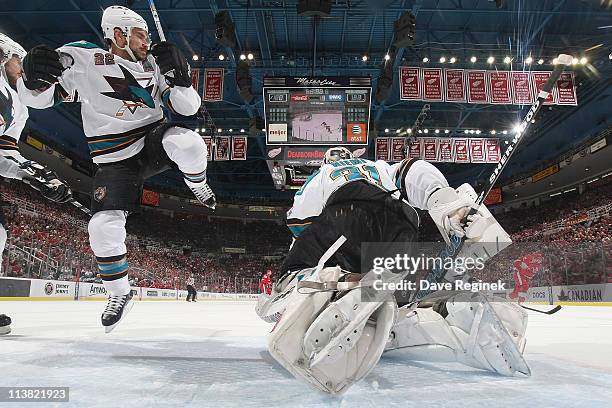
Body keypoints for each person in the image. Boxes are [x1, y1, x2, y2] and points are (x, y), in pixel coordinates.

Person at [256, 146, 527, 394]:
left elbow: (301, 227)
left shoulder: (322, 174)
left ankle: (343, 286)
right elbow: (416, 169)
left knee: (292, 274)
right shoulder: (379, 167)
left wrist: (300, 277)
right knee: (393, 314)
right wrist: (448, 204)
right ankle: (456, 317)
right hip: (404, 227)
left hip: (349, 212)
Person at [17, 6, 214, 333]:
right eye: (140, 33)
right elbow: (39, 99)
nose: (146, 39)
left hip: (151, 139)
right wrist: (31, 79)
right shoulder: (83, 57)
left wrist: (182, 81)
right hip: (113, 159)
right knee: (102, 228)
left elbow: (188, 109)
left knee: (189, 143)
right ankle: (120, 293)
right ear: (118, 35)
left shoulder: (153, 62)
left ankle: (198, 184)